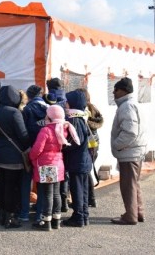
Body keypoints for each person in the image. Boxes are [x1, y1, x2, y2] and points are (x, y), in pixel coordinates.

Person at [29, 105, 80, 231]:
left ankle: (46, 221)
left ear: (50, 116)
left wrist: (31, 157)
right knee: (56, 193)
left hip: (46, 165)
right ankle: (56, 220)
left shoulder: (45, 130)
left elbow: (37, 149)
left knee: (47, 194)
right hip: (58, 164)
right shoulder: (64, 128)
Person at [0, 85, 30, 229]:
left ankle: (2, 214)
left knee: (2, 184)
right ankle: (10, 217)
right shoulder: (14, 113)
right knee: (12, 187)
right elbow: (23, 135)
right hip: (13, 155)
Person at [110, 77, 147, 225]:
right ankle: (138, 212)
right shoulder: (131, 104)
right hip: (134, 151)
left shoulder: (127, 106)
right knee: (134, 183)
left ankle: (130, 216)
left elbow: (130, 132)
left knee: (128, 185)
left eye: (116, 89)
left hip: (129, 152)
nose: (114, 92)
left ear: (124, 91)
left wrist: (117, 145)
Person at [62, 89, 92, 227]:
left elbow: (75, 141)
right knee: (83, 189)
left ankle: (78, 216)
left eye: (67, 102)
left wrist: (63, 146)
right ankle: (84, 215)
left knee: (77, 189)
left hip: (77, 160)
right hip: (83, 159)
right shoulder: (82, 117)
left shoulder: (74, 119)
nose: (65, 104)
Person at [20, 85, 48, 222]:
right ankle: (41, 214)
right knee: (44, 183)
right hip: (47, 154)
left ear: (29, 96)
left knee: (26, 181)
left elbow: (23, 132)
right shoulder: (50, 109)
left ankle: (24, 213)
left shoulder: (26, 110)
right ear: (41, 94)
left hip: (30, 150)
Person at [76, 88, 104, 208]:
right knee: (87, 172)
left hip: (87, 145)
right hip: (94, 144)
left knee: (84, 173)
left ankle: (88, 199)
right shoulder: (94, 108)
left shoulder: (84, 111)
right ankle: (91, 199)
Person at [46, 77, 69, 212]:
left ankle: (49, 212)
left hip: (52, 142)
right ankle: (64, 202)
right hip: (65, 137)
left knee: (51, 183)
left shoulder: (50, 99)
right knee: (64, 173)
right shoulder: (66, 99)